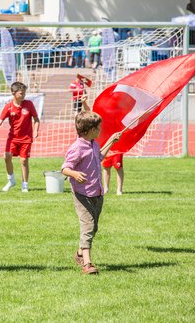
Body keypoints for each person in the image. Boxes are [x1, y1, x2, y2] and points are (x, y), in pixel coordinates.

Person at [61, 111, 122, 275]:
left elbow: (99, 156)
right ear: (89, 130)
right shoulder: (77, 148)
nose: (100, 129)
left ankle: (80, 253)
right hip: (82, 195)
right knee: (87, 227)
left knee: (93, 228)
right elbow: (65, 168)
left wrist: (111, 141)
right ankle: (87, 264)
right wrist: (74, 174)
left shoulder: (94, 144)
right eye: (98, 127)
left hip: (97, 193)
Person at [0, 82, 40, 193]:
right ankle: (11, 180)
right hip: (13, 138)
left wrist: (35, 131)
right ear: (13, 93)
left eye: (24, 93)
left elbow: (36, 119)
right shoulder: (8, 107)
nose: (23, 95)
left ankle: (25, 185)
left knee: (23, 161)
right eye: (21, 93)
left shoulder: (29, 104)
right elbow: (0, 121)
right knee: (6, 157)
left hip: (26, 138)